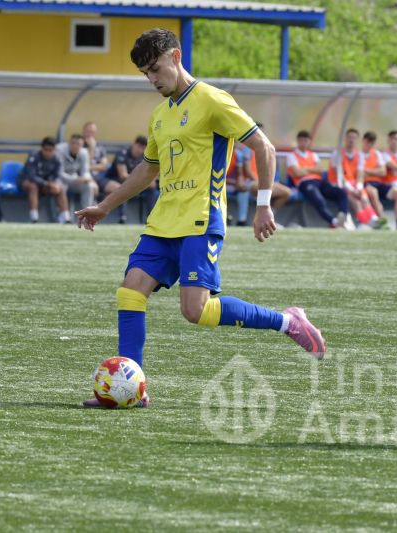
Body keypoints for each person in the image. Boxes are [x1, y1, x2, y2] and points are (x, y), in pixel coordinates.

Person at [76, 28, 326, 408]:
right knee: (130, 290)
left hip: (200, 220)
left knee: (197, 311)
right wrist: (104, 206)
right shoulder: (160, 115)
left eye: (156, 69)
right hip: (163, 222)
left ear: (176, 57)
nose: (152, 79)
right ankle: (135, 389)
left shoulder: (212, 100)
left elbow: (264, 146)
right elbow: (147, 171)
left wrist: (263, 204)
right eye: (145, 73)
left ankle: (288, 321)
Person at [287, 130, 354, 229]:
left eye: (306, 140)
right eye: (302, 140)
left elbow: (320, 170)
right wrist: (312, 169)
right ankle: (333, 221)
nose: (304, 143)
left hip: (319, 181)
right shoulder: (291, 156)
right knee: (318, 199)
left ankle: (343, 216)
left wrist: (304, 169)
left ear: (309, 142)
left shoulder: (313, 155)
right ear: (298, 141)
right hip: (304, 183)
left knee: (341, 193)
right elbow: (297, 173)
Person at [230, 123, 291, 226]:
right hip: (251, 182)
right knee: (273, 190)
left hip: (261, 181)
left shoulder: (266, 148)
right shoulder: (246, 150)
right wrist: (261, 181)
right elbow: (248, 170)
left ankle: (270, 218)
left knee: (286, 193)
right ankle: (258, 219)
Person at [329, 128, 382, 228]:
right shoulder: (337, 153)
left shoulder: (359, 154)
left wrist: (359, 186)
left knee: (363, 197)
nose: (351, 140)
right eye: (349, 137)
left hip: (353, 184)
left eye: (354, 138)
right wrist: (351, 189)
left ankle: (373, 219)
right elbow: (339, 174)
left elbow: (360, 173)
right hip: (339, 184)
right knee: (355, 201)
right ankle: (364, 222)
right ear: (345, 138)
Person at [104, 135, 157, 223]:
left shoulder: (145, 156)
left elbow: (149, 173)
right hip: (115, 179)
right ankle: (122, 217)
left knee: (152, 187)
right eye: (139, 147)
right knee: (124, 185)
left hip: (135, 182)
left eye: (143, 148)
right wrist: (142, 180)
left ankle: (151, 218)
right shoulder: (122, 153)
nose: (140, 150)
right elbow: (123, 175)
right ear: (134, 144)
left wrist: (148, 181)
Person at [19, 136, 70, 223]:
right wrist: (46, 183)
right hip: (27, 181)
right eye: (46, 149)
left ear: (54, 150)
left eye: (51, 150)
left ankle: (65, 217)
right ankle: (34, 217)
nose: (48, 153)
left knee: (61, 188)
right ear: (41, 148)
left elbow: (58, 175)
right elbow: (31, 176)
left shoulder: (58, 159)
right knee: (33, 186)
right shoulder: (34, 156)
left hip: (45, 184)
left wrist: (56, 184)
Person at [57, 133, 97, 210]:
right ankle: (64, 216)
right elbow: (59, 173)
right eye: (73, 143)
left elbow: (85, 170)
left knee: (89, 186)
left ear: (82, 145)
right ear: (69, 143)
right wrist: (75, 179)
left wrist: (86, 178)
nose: (75, 146)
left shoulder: (84, 152)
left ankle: (87, 214)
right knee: (61, 187)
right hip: (60, 180)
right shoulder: (60, 150)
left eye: (78, 144)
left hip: (75, 180)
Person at [361, 131, 390, 227]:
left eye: (372, 143)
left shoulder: (376, 154)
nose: (370, 145)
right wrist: (375, 171)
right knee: (373, 193)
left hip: (378, 182)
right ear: (363, 141)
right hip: (365, 182)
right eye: (368, 142)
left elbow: (383, 172)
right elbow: (359, 172)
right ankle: (381, 219)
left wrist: (367, 171)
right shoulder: (359, 154)